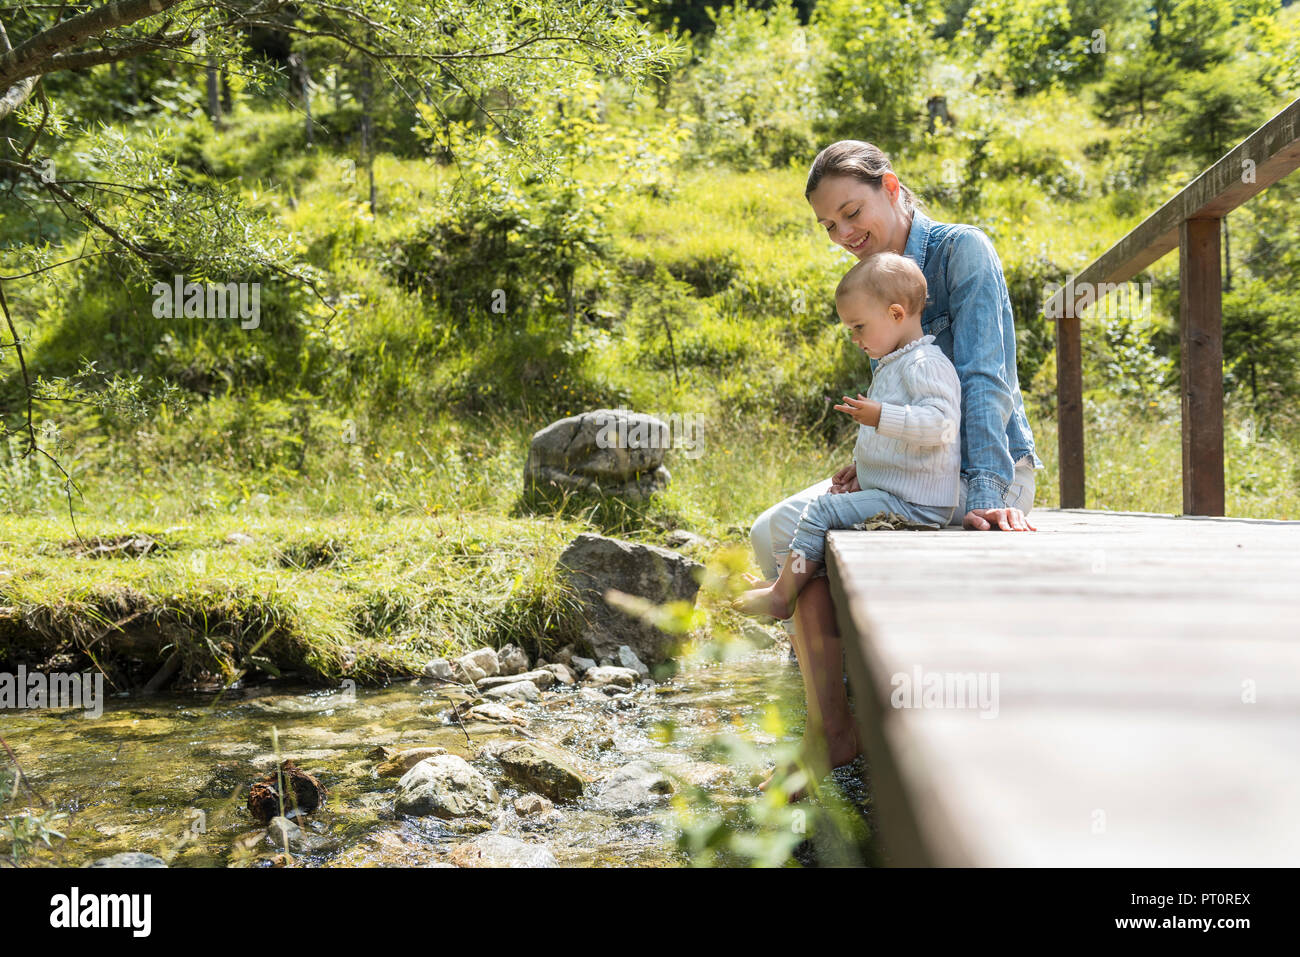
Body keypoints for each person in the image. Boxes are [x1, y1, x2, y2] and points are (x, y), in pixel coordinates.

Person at [748, 140, 1042, 793]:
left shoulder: (962, 251)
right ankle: (838, 719)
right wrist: (870, 465)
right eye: (829, 226)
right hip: (914, 469)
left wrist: (989, 495)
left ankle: (859, 717)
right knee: (769, 533)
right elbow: (897, 406)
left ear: (892, 186)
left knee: (825, 537)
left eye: (851, 212)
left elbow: (985, 381)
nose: (842, 233)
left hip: (982, 467)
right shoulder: (877, 277)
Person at [736, 251, 960, 621]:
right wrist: (862, 465)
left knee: (822, 509)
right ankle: (784, 583)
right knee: (828, 504)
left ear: (895, 314)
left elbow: (941, 426)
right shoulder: (895, 364)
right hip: (896, 494)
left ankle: (782, 593)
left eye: (859, 327)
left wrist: (880, 416)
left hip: (915, 504)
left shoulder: (926, 364)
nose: (855, 338)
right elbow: (900, 438)